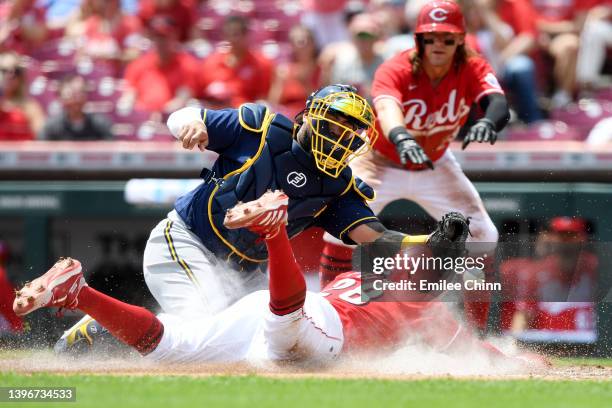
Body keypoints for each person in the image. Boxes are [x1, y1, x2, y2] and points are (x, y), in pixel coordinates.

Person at [54, 84, 467, 353]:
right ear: (308, 117)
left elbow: (374, 237)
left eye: (350, 132)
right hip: (186, 242)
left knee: (249, 344)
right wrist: (190, 127)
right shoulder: (262, 129)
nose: (340, 136)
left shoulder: (338, 185)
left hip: (244, 271)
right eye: (334, 124)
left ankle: (112, 323)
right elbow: (184, 116)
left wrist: (431, 240)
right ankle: (102, 323)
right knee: (200, 340)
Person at [15, 191, 544, 367]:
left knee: (167, 346)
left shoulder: (373, 274)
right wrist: (524, 360)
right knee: (290, 324)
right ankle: (273, 230)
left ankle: (77, 294)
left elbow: (347, 253)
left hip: (275, 317)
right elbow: (484, 356)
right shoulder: (433, 314)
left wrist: (437, 240)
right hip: (306, 324)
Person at [319, 1, 510, 332]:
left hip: (433, 163)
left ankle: (477, 336)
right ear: (418, 40)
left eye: (448, 39)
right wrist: (401, 136)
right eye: (431, 38)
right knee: (338, 230)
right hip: (379, 160)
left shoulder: (473, 67)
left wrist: (491, 122)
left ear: (460, 41)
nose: (439, 45)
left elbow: (497, 102)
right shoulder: (396, 67)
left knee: (484, 236)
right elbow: (387, 106)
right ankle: (324, 321)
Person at [119, 16, 200, 114]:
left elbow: (182, 98)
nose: (161, 42)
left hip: (171, 120)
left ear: (175, 36)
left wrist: (159, 114)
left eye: (165, 36)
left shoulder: (187, 65)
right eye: (157, 37)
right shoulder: (139, 64)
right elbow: (129, 95)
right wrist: (129, 107)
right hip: (142, 120)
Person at [198, 15, 273, 108]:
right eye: (228, 35)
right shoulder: (212, 62)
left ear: (246, 35)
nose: (232, 39)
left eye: (236, 34)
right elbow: (202, 95)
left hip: (246, 116)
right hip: (216, 114)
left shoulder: (262, 64)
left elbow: (264, 98)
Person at [39, 74, 113, 141]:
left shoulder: (100, 124)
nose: (76, 100)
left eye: (81, 93)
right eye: (71, 95)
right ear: (61, 98)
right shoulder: (52, 127)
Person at [0, 52, 45, 140]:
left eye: (16, 71)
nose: (10, 75)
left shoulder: (31, 107)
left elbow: (41, 138)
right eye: (4, 70)